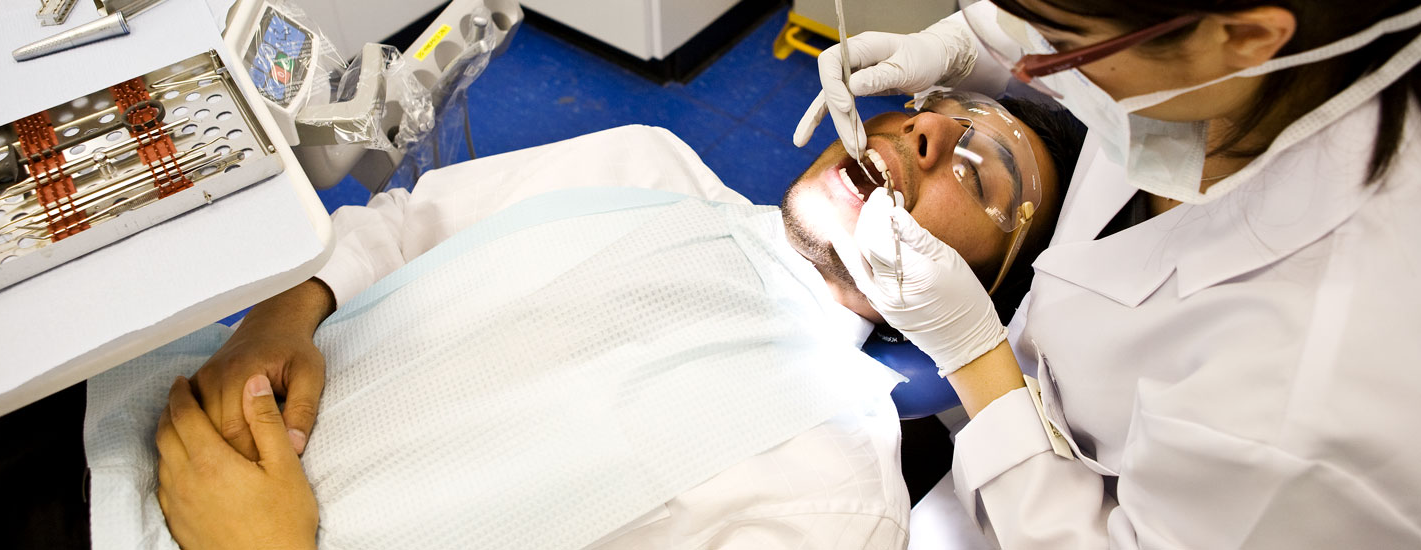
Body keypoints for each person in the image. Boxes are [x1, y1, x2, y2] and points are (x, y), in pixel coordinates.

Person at [146, 95, 1082, 549]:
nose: (922, 132)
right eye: (929, 108)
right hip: (135, 417)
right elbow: (396, 227)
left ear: (981, 294)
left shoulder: (835, 496)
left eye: (980, 170)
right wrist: (280, 316)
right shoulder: (645, 166)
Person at [802, 0, 1421, 547]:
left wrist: (971, 353)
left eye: (1061, 42)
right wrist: (966, 46)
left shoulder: (1309, 398)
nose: (929, 127)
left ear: (1248, 37)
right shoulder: (1225, 84)